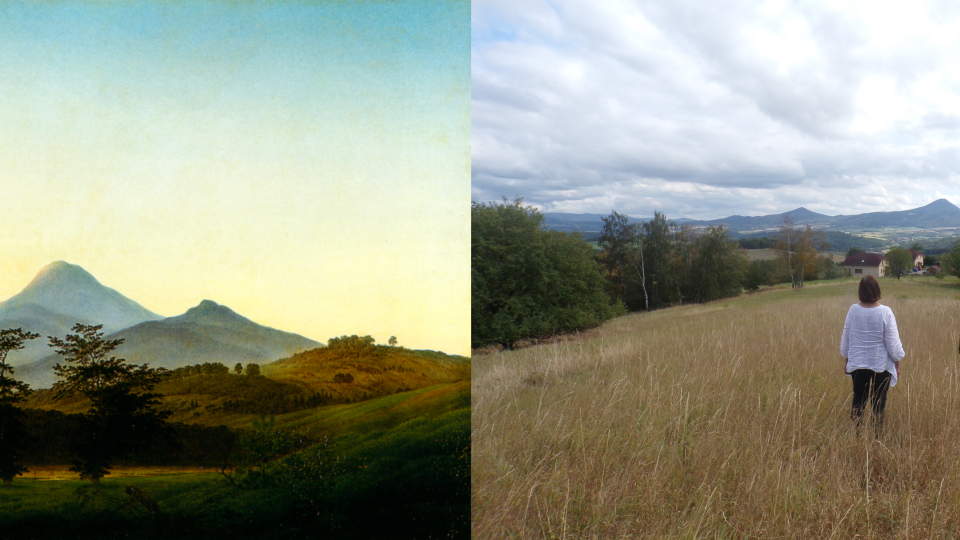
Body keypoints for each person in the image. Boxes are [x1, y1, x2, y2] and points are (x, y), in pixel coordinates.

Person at [840, 275, 905, 436]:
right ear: (877, 290)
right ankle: (877, 436)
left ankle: (857, 435)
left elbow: (847, 338)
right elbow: (893, 343)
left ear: (860, 291)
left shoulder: (853, 310)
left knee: (858, 401)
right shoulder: (885, 312)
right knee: (878, 403)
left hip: (858, 363)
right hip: (880, 365)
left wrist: (847, 360)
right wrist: (897, 363)